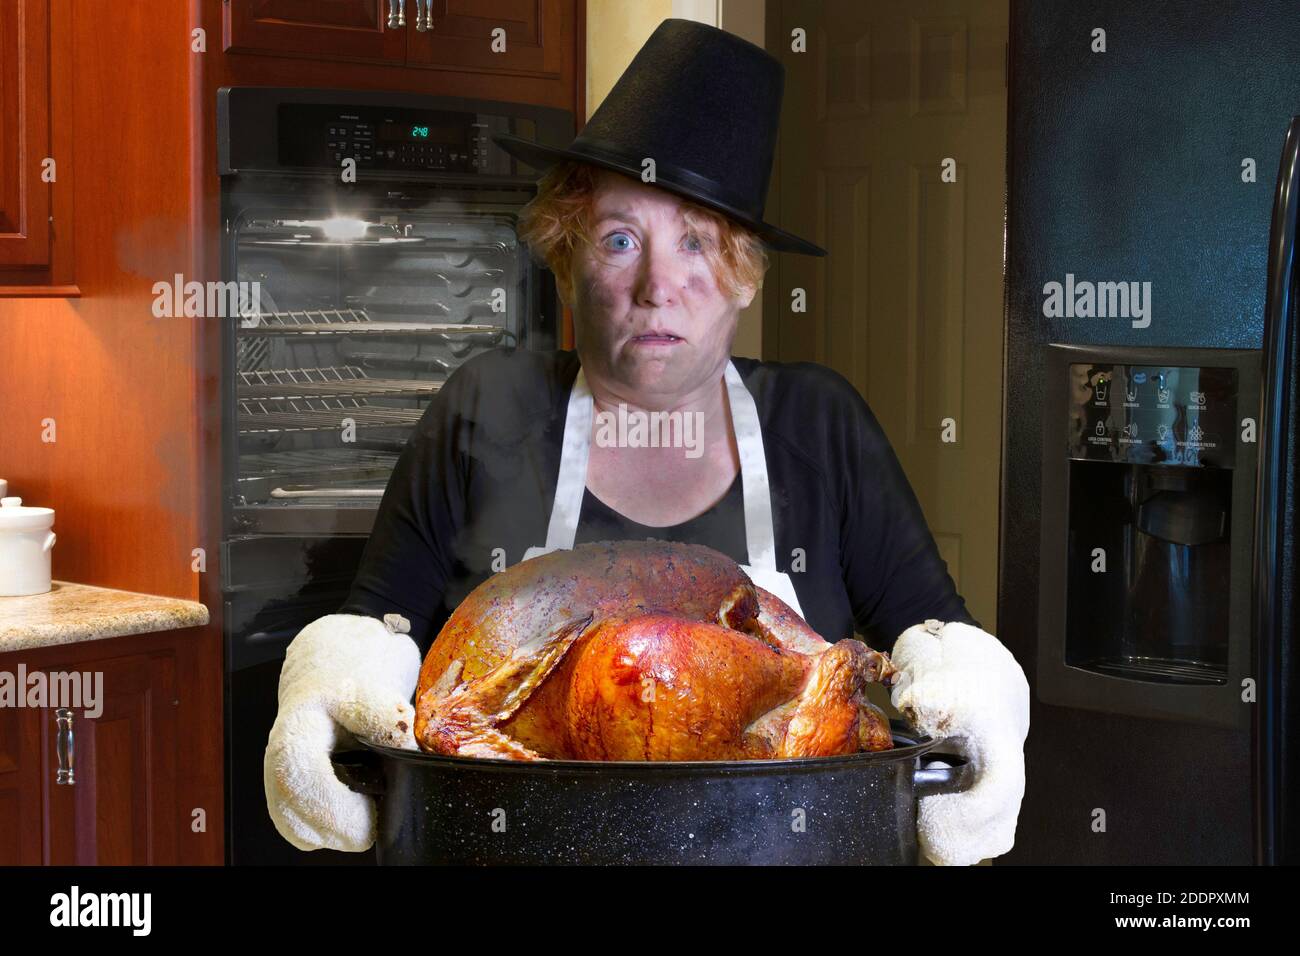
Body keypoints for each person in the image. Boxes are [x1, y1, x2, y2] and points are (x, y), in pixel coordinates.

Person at [264, 18, 1029, 867]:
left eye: (696, 242)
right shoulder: (485, 408)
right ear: (568, 257)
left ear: (741, 274)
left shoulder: (820, 424)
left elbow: (933, 646)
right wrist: (324, 686)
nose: (658, 287)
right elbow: (379, 632)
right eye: (620, 239)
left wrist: (982, 703)